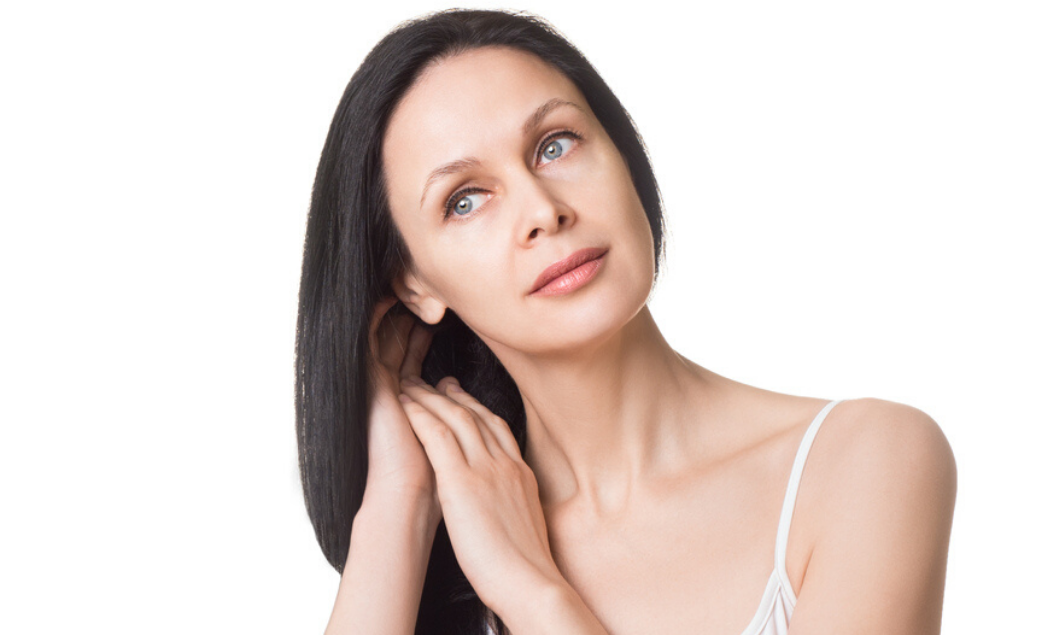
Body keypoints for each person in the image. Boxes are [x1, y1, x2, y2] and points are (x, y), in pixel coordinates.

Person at [295, 8, 957, 635]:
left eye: (555, 145)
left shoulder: (865, 459)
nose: (542, 209)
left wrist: (532, 590)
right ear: (413, 283)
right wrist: (397, 504)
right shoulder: (445, 542)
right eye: (465, 200)